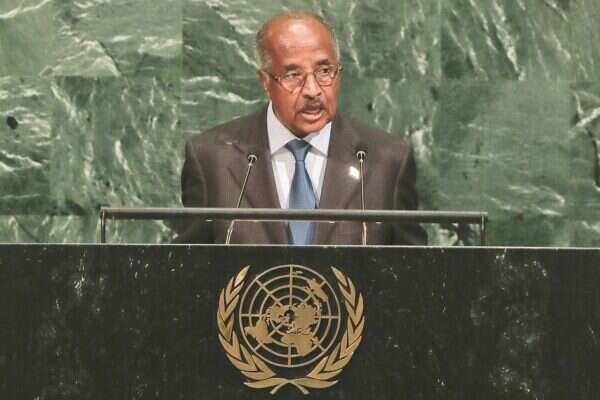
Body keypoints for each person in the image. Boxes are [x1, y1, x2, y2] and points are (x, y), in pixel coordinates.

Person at [174, 12, 427, 245]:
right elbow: (187, 268)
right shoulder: (212, 159)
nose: (313, 90)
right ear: (266, 82)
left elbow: (414, 269)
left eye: (324, 71)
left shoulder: (388, 161)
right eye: (293, 75)